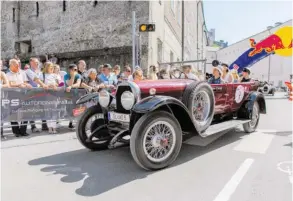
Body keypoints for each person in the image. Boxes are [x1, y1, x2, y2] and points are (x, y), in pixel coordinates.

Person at [6, 59, 31, 137]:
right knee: (13, 114)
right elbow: (9, 84)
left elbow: (26, 82)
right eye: (16, 64)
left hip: (23, 94)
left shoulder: (22, 73)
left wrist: (25, 85)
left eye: (19, 64)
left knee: (25, 113)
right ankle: (16, 131)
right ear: (11, 65)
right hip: (12, 95)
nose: (18, 66)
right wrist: (19, 84)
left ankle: (23, 131)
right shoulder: (7, 74)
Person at [25, 57, 49, 132]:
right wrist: (43, 85)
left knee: (42, 108)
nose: (37, 63)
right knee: (31, 109)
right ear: (31, 63)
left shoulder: (40, 71)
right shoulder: (28, 71)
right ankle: (33, 127)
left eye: (38, 62)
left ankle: (44, 125)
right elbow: (35, 79)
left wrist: (44, 85)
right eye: (35, 62)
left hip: (40, 92)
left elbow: (42, 80)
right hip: (31, 93)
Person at [40, 62, 60, 134]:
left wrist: (55, 85)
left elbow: (60, 83)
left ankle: (54, 127)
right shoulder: (42, 75)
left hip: (54, 95)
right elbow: (40, 85)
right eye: (50, 66)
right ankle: (49, 128)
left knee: (54, 111)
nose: (51, 68)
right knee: (48, 112)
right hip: (46, 95)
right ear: (46, 67)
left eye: (52, 66)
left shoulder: (55, 75)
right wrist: (48, 85)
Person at [64, 64, 82, 130]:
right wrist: (73, 76)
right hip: (69, 95)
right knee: (70, 109)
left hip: (76, 94)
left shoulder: (78, 75)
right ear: (70, 70)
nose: (76, 71)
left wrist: (71, 87)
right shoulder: (66, 76)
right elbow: (69, 83)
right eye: (74, 69)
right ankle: (70, 123)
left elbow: (78, 84)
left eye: (76, 69)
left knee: (77, 109)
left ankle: (75, 123)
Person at [0, 60, 10, 139]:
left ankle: (1, 133)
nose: (0, 66)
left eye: (1, 64)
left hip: (1, 97)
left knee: (1, 116)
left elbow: (7, 84)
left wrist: (1, 86)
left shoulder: (2, 73)